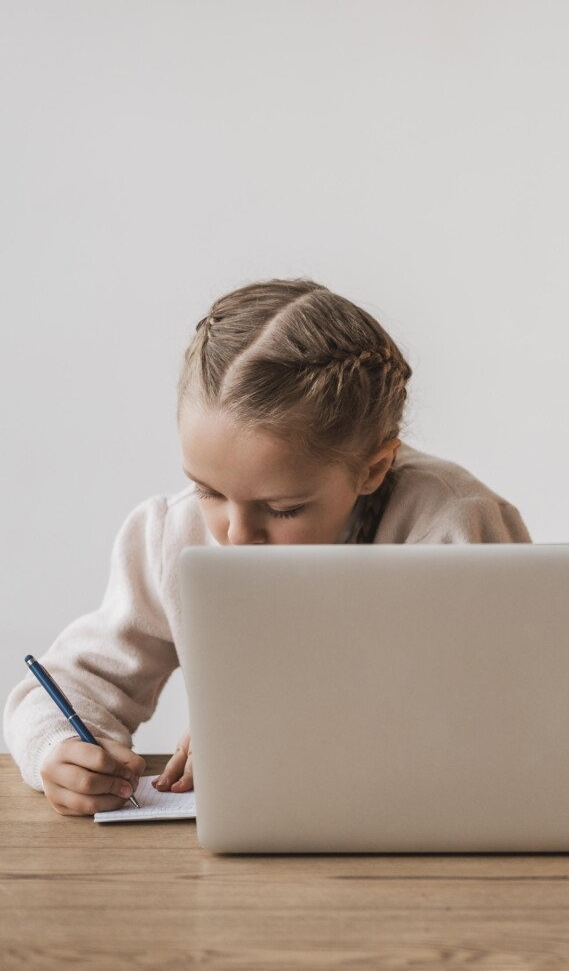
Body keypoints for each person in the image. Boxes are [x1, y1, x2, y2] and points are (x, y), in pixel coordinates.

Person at [6, 279, 532, 814]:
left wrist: (271, 733)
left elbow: (508, 716)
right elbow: (68, 684)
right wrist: (59, 749)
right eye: (208, 490)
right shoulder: (175, 536)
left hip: (435, 843)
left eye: (282, 509)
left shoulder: (455, 528)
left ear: (372, 468)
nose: (235, 533)